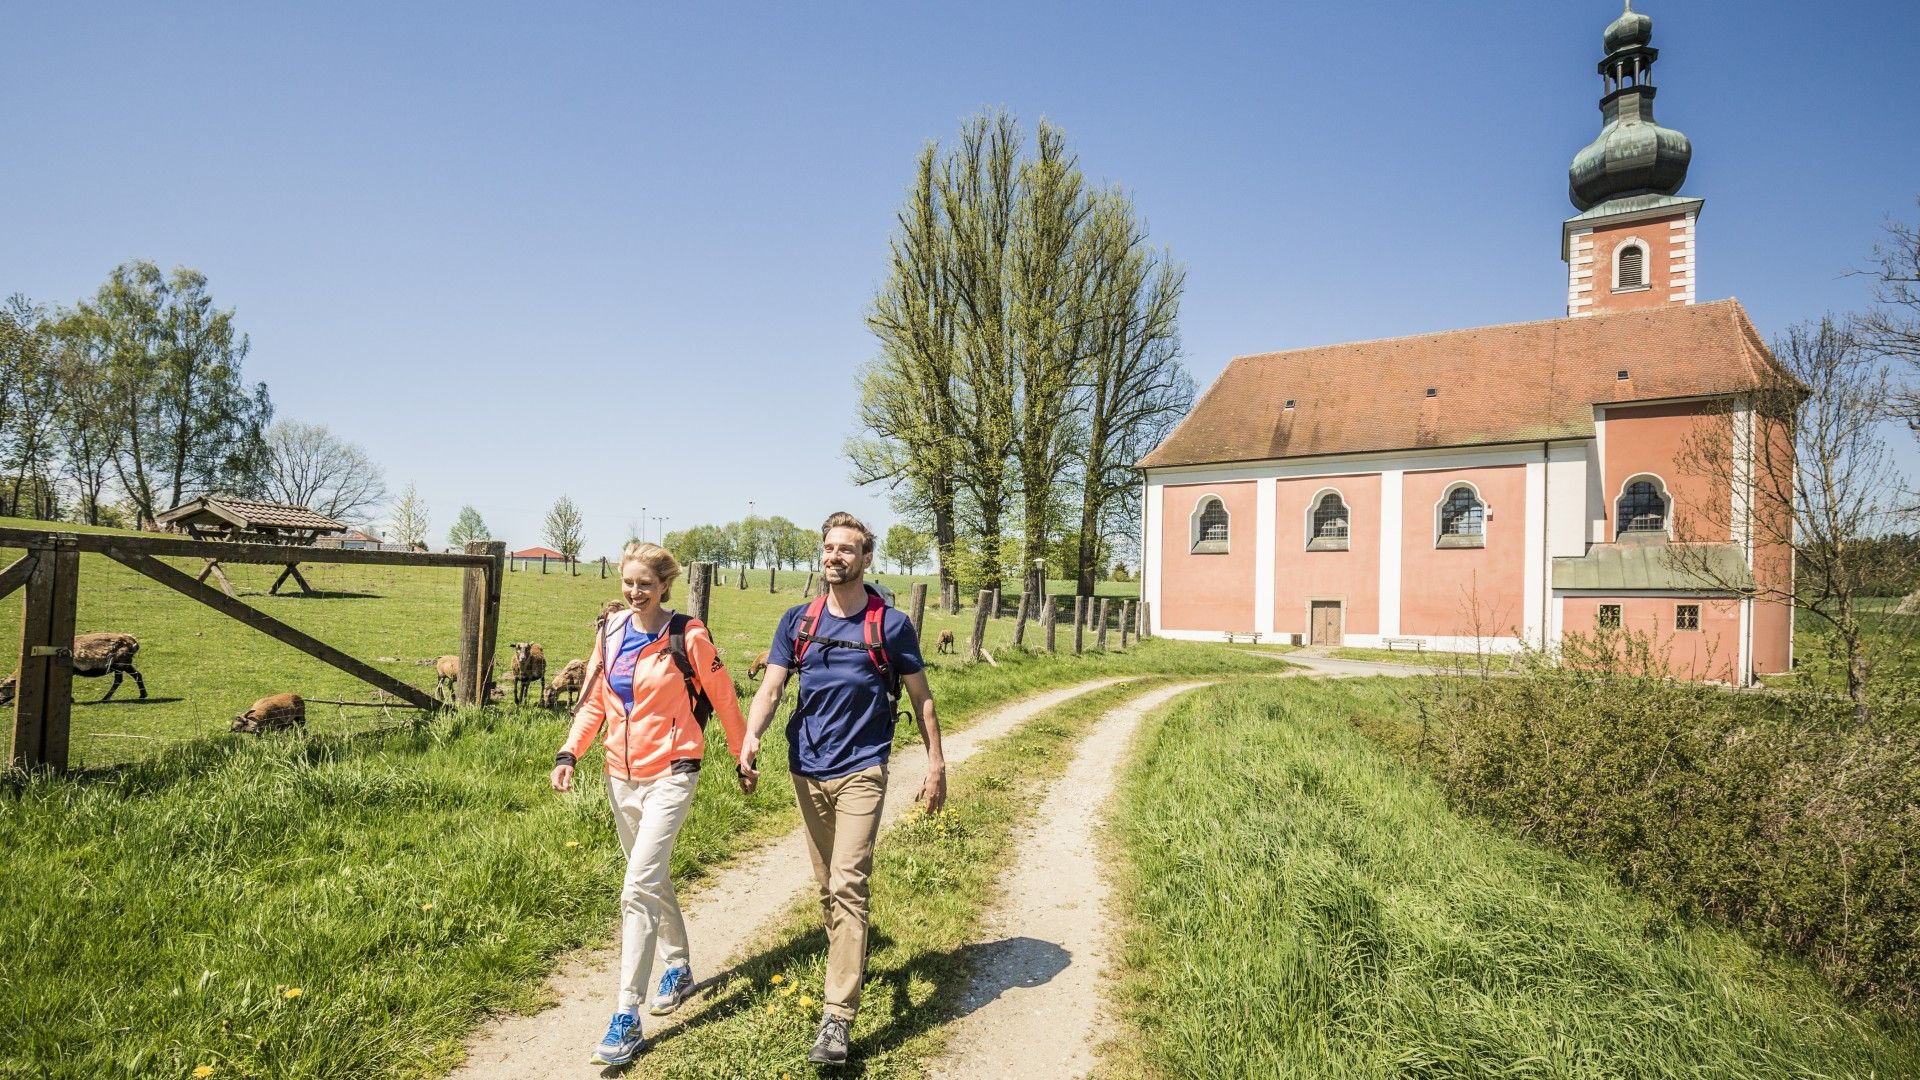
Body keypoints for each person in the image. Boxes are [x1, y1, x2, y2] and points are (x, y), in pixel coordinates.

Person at [741, 512, 946, 1066]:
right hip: (806, 768)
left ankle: (837, 1015)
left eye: (847, 549)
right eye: (829, 548)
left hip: (863, 767)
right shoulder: (798, 620)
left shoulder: (891, 626)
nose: (835, 557)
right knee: (827, 888)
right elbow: (772, 687)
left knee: (849, 883)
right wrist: (752, 736)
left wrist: (936, 764)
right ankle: (848, 960)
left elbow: (921, 697)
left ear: (866, 558)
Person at [550, 541, 749, 1067]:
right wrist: (571, 752)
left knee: (636, 886)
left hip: (673, 771)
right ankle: (678, 966)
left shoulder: (688, 635)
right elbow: (595, 699)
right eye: (628, 583)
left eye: (645, 584)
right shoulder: (610, 631)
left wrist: (742, 756)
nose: (635, 592)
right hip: (620, 775)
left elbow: (725, 697)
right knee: (651, 877)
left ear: (664, 586)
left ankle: (626, 1016)